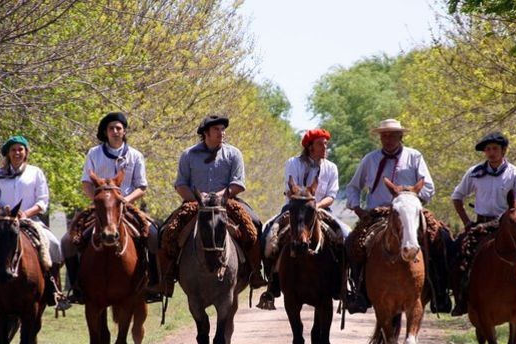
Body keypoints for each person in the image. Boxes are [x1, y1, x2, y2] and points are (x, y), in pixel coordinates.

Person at [344, 118, 451, 314]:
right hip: (378, 213)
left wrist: (412, 199)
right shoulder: (370, 159)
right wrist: (358, 208)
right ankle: (358, 292)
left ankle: (440, 292)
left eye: (392, 135)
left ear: (401, 136)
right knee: (352, 242)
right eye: (384, 135)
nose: (388, 139)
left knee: (440, 237)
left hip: (409, 210)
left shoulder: (414, 156)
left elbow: (428, 186)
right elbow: (353, 186)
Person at [158, 114, 267, 297]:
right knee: (166, 231)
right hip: (195, 204)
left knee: (254, 224)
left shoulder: (233, 154)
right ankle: (167, 278)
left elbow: (238, 184)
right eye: (217, 129)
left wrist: (217, 197)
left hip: (227, 202)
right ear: (205, 133)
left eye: (223, 129)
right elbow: (181, 184)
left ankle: (256, 273)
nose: (221, 133)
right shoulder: (188, 155)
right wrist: (196, 201)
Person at [450, 132, 516, 315]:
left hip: (511, 225)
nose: (491, 153)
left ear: (503, 151)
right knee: (456, 250)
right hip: (482, 226)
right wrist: (467, 222)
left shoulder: (515, 174)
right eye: (488, 149)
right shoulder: (474, 173)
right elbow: (457, 197)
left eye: (495, 149)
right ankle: (460, 298)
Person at [0, 135, 67, 314]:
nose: (17, 153)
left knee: (54, 244)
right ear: (8, 154)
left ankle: (54, 291)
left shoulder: (36, 172)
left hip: (29, 219)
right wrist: (2, 212)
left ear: (26, 152)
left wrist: (26, 213)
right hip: (1, 220)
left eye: (20, 149)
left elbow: (42, 201)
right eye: (13, 150)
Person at [61, 112, 160, 303]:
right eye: (111, 128)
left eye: (119, 128)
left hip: (127, 206)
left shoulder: (135, 155)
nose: (115, 131)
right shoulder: (93, 153)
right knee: (67, 241)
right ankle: (76, 287)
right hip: (100, 207)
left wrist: (125, 200)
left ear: (124, 132)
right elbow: (86, 183)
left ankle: (153, 284)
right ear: (105, 132)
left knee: (154, 235)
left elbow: (142, 186)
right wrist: (98, 201)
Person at [256, 128, 350, 310]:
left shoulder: (331, 167)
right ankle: (271, 282)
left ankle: (344, 284)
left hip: (322, 208)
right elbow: (289, 188)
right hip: (294, 207)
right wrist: (301, 202)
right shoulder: (294, 163)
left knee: (346, 236)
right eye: (320, 144)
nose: (325, 148)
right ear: (309, 147)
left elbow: (332, 194)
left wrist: (317, 206)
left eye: (325, 144)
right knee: (268, 235)